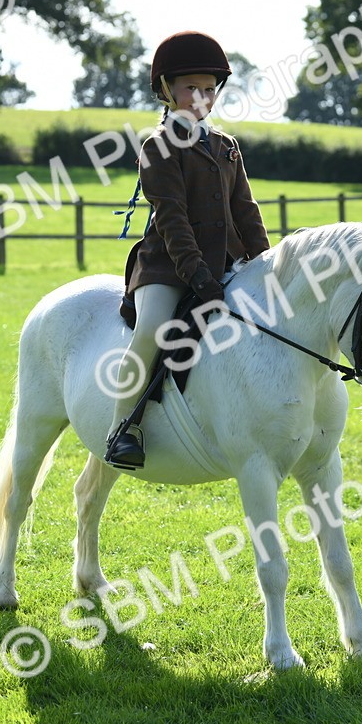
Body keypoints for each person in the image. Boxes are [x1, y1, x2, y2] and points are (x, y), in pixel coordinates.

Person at [104, 31, 271, 469]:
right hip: (168, 267)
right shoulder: (158, 147)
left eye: (209, 89)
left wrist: (266, 265)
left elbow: (246, 211)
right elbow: (172, 218)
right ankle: (123, 428)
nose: (202, 97)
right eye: (190, 88)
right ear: (166, 90)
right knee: (153, 330)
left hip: (228, 263)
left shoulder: (226, 147)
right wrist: (198, 275)